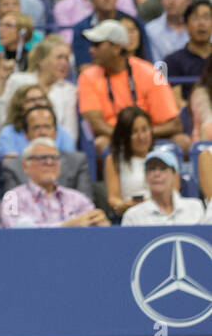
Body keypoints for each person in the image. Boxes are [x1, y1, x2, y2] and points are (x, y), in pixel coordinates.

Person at [78, 20, 181, 154]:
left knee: (182, 141)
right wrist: (128, 137)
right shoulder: (87, 76)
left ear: (116, 48)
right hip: (114, 138)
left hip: (149, 136)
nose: (91, 49)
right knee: (101, 144)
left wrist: (141, 135)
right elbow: (95, 124)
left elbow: (174, 124)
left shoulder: (149, 72)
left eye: (97, 44)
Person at [0, 139, 108, 228]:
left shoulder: (78, 198)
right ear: (25, 166)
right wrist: (67, 225)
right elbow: (14, 228)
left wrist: (100, 222)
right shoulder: (12, 198)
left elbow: (94, 225)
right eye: (42, 158)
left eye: (54, 158)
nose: (49, 162)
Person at [121, 145, 204, 225]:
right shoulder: (132, 216)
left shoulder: (196, 208)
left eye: (163, 168)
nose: (157, 174)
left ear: (175, 176)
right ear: (145, 176)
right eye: (151, 169)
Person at [105, 105, 155, 219]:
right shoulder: (114, 160)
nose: (141, 136)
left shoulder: (164, 157)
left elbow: (173, 192)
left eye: (144, 129)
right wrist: (121, 205)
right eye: (134, 132)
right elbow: (113, 198)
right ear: (124, 136)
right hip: (130, 215)